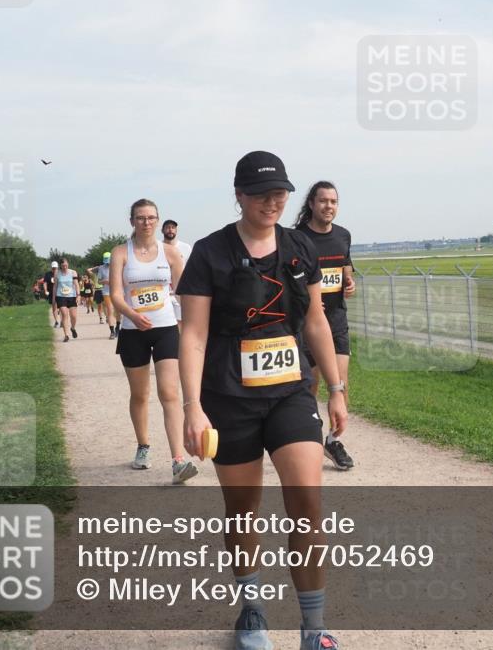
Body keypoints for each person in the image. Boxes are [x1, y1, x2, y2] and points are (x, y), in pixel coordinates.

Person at [179, 151, 346, 650]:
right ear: (239, 195)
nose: (271, 203)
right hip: (229, 397)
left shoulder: (300, 247)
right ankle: (252, 610)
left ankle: (314, 630)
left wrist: (336, 389)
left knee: (307, 503)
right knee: (242, 509)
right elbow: (193, 335)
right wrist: (192, 407)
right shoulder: (210, 253)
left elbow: (315, 320)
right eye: (259, 194)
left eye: (279, 194)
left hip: (291, 393)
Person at [110, 199, 198, 485]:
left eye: (150, 218)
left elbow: (184, 291)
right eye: (140, 218)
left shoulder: (170, 253)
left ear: (157, 221)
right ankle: (143, 446)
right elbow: (116, 295)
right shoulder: (121, 252)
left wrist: (199, 319)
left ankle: (178, 461)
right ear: (132, 221)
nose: (146, 222)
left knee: (170, 393)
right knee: (140, 394)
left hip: (165, 328)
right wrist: (132, 315)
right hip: (132, 330)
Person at [295, 181, 357, 470]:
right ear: (311, 204)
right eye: (323, 201)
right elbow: (288, 279)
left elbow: (345, 266)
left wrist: (349, 282)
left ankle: (333, 441)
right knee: (311, 385)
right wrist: (306, 299)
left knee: (340, 383)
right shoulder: (297, 238)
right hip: (308, 325)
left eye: (333, 201)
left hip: (337, 321)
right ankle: (307, 438)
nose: (328, 206)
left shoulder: (343, 235)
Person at [162, 219, 193, 331]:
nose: (170, 230)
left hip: (180, 292)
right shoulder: (158, 247)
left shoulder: (186, 248)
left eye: (173, 227)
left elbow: (190, 270)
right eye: (167, 227)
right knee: (164, 324)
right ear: (162, 230)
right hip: (163, 293)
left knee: (181, 323)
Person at [88, 253, 116, 337]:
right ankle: (112, 331)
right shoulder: (101, 268)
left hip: (117, 291)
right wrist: (105, 281)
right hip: (106, 292)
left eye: (109, 261)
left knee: (118, 312)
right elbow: (99, 281)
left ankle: (118, 326)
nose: (107, 263)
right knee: (110, 310)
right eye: (106, 262)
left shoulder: (117, 265)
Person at [55, 258, 81, 342]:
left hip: (72, 296)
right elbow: (55, 286)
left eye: (66, 265)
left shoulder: (73, 272)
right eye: (63, 266)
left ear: (68, 264)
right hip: (60, 296)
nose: (65, 267)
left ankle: (72, 328)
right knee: (64, 314)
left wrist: (78, 295)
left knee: (73, 316)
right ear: (60, 266)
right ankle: (66, 335)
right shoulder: (57, 273)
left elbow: (76, 284)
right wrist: (54, 298)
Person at [43, 261, 59, 327]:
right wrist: (45, 290)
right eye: (53, 268)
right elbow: (45, 283)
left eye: (55, 268)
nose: (54, 269)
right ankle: (56, 321)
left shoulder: (60, 274)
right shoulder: (48, 274)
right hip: (52, 293)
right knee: (54, 307)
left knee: (62, 307)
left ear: (57, 268)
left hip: (60, 292)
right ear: (51, 268)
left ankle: (62, 321)